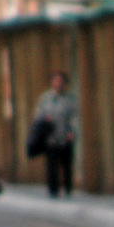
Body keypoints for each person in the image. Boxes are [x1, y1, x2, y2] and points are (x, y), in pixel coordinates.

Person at [34, 70, 78, 198]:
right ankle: (53, 190)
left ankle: (68, 189)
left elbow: (74, 117)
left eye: (61, 81)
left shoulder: (70, 99)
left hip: (65, 135)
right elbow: (37, 115)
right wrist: (43, 119)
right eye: (56, 81)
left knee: (67, 164)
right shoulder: (45, 98)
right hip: (50, 137)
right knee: (52, 165)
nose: (58, 84)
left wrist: (72, 132)